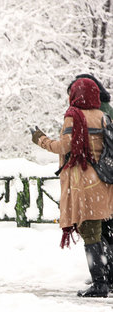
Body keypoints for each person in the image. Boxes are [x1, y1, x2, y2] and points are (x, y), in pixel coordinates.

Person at [31, 77, 113, 297]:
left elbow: (63, 146)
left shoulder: (73, 117)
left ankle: (100, 283)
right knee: (100, 232)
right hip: (103, 181)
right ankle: (106, 278)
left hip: (84, 185)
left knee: (91, 234)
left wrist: (40, 140)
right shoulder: (102, 117)